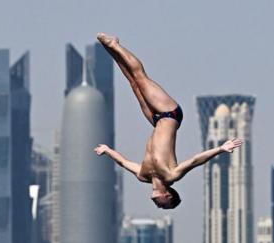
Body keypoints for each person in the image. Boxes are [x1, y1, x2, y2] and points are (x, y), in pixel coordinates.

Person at [94, 33, 243, 209]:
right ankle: (115, 45)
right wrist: (220, 149)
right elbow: (195, 160)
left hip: (155, 120)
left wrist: (107, 150)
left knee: (133, 83)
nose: (159, 206)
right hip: (170, 114)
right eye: (164, 205)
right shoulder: (171, 175)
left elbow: (124, 162)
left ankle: (110, 50)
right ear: (168, 195)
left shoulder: (143, 175)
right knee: (141, 78)